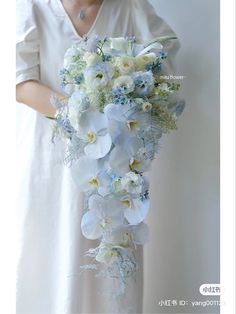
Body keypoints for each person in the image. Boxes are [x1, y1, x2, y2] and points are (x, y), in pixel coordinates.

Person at [16, 0, 180, 313]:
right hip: (51, 161)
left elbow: (165, 59)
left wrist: (134, 89)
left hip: (115, 167)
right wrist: (86, 114)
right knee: (51, 259)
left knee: (109, 261)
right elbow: (20, 83)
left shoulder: (129, 7)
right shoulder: (29, 6)